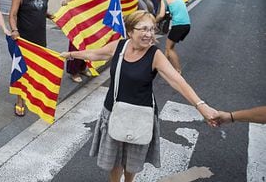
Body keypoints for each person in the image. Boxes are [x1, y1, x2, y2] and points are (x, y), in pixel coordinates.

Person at [60, 10, 218, 182]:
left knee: (131, 164)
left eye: (151, 29)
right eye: (143, 29)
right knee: (114, 163)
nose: (149, 34)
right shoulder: (119, 46)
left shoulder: (155, 55)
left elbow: (177, 81)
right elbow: (96, 53)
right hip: (113, 112)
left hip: (140, 117)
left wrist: (201, 105)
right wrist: (70, 55)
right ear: (130, 31)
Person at [9, 0, 50, 116]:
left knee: (38, 69)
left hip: (40, 38)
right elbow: (12, 14)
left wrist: (50, 15)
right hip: (24, 40)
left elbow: (41, 8)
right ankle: (20, 100)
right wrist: (14, 30)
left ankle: (32, 94)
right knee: (21, 71)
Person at [61, 0, 110, 83]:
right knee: (76, 46)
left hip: (87, 24)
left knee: (86, 46)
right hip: (78, 24)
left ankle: (82, 68)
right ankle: (73, 71)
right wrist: (65, 2)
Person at [155, 0, 190, 74]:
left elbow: (161, 15)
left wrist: (154, 21)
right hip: (187, 25)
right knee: (170, 46)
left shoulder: (164, 0)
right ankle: (163, 66)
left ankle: (178, 70)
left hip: (178, 26)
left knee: (169, 48)